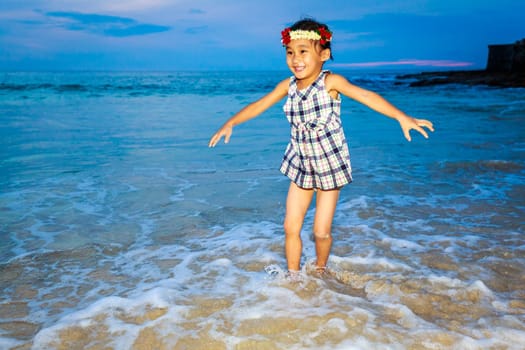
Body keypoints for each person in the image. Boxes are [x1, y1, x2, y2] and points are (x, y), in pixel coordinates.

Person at [209, 18, 434, 277]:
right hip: (301, 164)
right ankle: (293, 279)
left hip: (329, 164)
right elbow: (260, 104)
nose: (296, 58)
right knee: (290, 227)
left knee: (320, 231)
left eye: (304, 51)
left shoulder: (331, 83)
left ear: (324, 55)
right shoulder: (288, 86)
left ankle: (320, 269)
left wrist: (401, 116)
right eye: (290, 52)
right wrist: (231, 122)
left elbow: (366, 96)